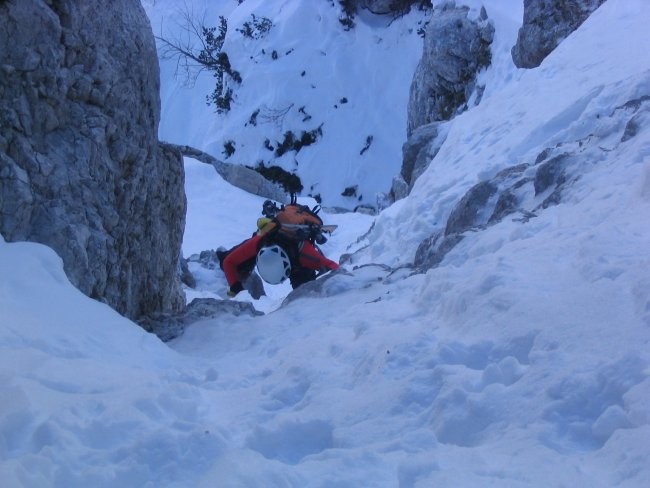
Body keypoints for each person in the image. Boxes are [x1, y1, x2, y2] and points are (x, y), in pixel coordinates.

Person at [217, 199, 339, 297]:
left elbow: (331, 266)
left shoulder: (304, 253)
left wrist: (234, 287)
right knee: (229, 260)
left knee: (305, 293)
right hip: (270, 238)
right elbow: (228, 262)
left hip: (297, 259)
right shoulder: (260, 241)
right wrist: (234, 286)